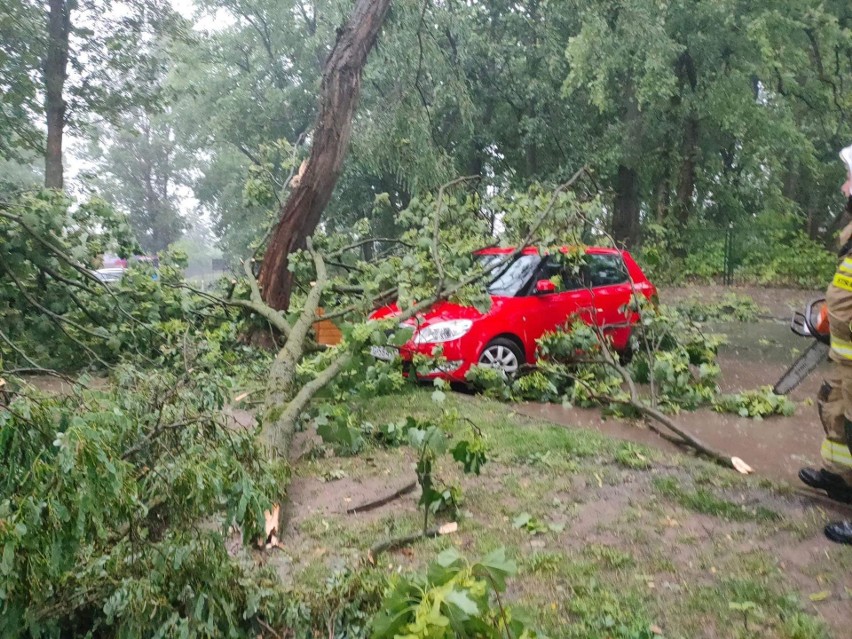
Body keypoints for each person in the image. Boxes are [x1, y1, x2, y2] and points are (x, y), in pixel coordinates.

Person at [799, 147, 852, 545]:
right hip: (843, 354)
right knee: (834, 411)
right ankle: (839, 480)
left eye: (850, 179)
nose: (844, 185)